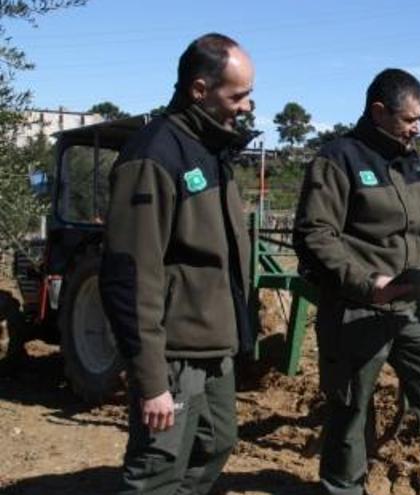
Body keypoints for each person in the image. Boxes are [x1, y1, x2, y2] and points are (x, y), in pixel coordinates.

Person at [292, 68, 420, 495]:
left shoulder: (416, 164)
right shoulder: (338, 159)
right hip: (358, 309)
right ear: (378, 111)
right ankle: (343, 488)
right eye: (410, 119)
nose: (417, 128)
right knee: (350, 413)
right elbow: (315, 234)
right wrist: (366, 281)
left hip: (414, 310)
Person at [99, 33, 256, 494]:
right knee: (157, 472)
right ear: (199, 90)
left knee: (216, 445)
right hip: (172, 357)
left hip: (213, 351)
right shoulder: (153, 156)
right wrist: (151, 381)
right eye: (238, 95)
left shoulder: (210, 151)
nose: (246, 106)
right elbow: (130, 276)